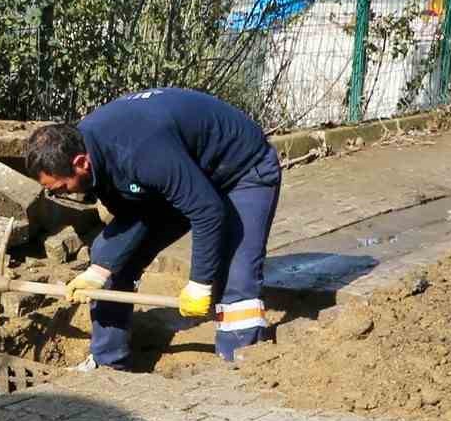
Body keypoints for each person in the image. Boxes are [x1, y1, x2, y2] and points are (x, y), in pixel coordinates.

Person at [23, 87, 282, 369]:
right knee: (111, 257)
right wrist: (100, 268)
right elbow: (134, 212)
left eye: (61, 188)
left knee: (236, 276)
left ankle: (239, 364)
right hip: (180, 174)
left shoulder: (138, 150)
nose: (63, 194)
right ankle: (108, 362)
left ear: (80, 163)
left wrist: (199, 283)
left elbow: (208, 211)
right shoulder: (90, 150)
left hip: (240, 170)